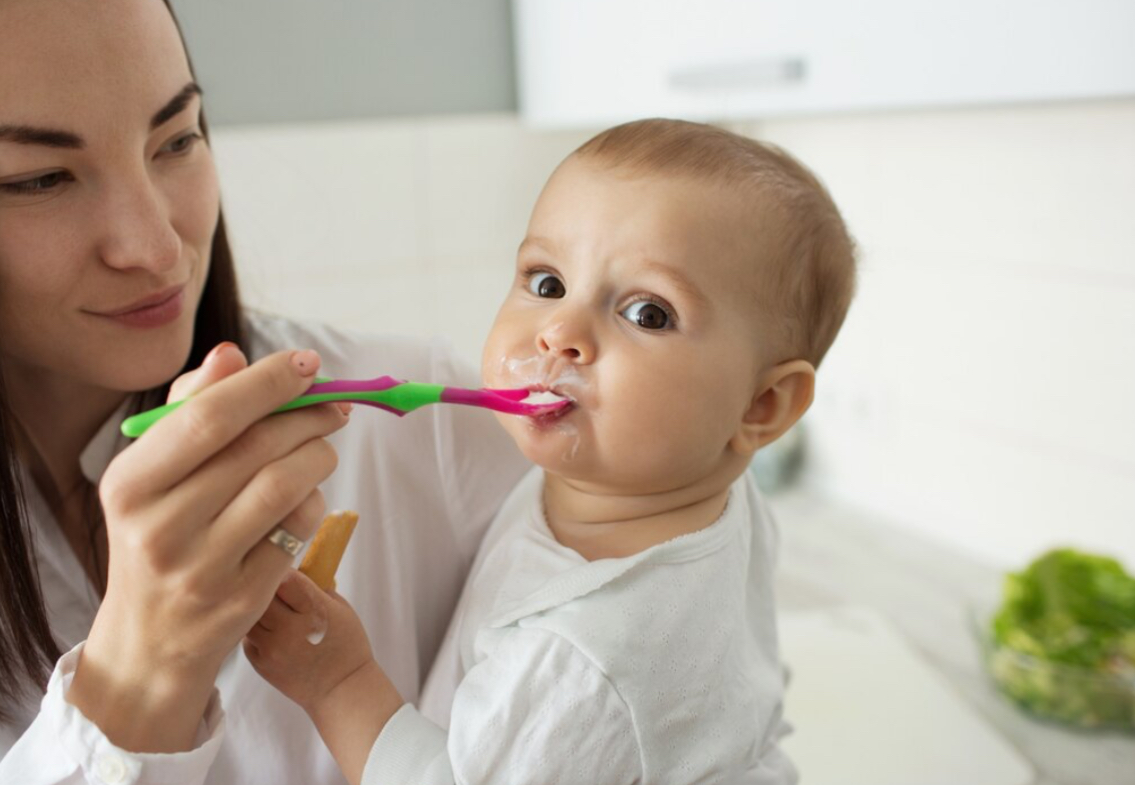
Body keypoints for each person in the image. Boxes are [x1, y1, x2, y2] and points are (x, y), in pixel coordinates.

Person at [0, 1, 528, 782]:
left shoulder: (429, 430)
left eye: (178, 138)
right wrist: (139, 677)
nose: (155, 247)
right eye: (40, 178)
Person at [246, 119, 857, 783]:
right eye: (546, 283)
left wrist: (338, 682)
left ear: (761, 406)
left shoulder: (581, 657)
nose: (559, 332)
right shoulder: (710, 494)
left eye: (647, 312)